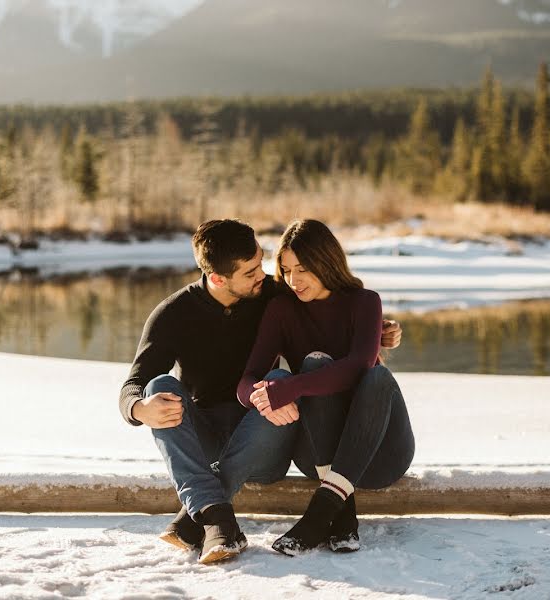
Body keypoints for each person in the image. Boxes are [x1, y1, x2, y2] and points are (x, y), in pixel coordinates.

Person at [119, 219, 402, 564]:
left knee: (277, 378)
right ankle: (216, 515)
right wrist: (138, 408)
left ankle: (207, 516)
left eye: (262, 263)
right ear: (219, 278)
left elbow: (329, 307)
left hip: (265, 436)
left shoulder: (274, 293)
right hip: (211, 435)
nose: (266, 276)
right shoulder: (172, 314)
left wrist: (375, 332)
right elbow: (133, 384)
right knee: (159, 387)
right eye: (252, 271)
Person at [238, 219, 415, 556]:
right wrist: (262, 397)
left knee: (378, 376)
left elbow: (358, 367)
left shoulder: (365, 302)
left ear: (326, 260)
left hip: (382, 455)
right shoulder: (282, 309)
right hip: (318, 459)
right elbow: (247, 381)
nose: (293, 280)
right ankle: (341, 512)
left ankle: (320, 515)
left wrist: (290, 388)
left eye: (302, 268)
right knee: (315, 362)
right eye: (286, 270)